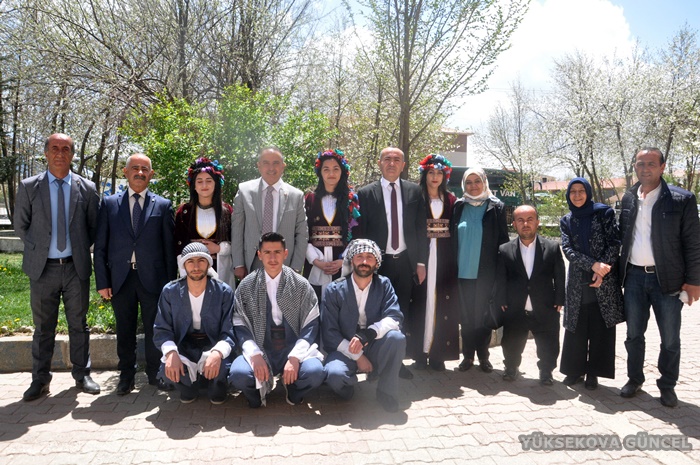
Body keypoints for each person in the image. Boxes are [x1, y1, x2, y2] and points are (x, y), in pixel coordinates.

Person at [14, 133, 101, 401]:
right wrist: (40, 249)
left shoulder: (87, 188)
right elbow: (21, 225)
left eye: (66, 149)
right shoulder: (29, 186)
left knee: (79, 325)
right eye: (54, 148)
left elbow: (93, 227)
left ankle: (82, 375)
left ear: (72, 155)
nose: (60, 153)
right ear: (46, 153)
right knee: (43, 328)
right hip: (43, 269)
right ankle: (40, 380)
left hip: (76, 268)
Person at [618, 147, 700, 407]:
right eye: (640, 163)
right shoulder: (629, 198)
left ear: (662, 167)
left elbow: (693, 243)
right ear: (635, 167)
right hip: (633, 278)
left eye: (651, 164)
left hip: (668, 280)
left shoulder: (681, 199)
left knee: (670, 338)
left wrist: (694, 280)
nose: (645, 168)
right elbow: (622, 237)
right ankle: (634, 379)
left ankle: (667, 385)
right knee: (633, 334)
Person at [93, 153, 177, 395]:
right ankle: (126, 376)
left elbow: (169, 249)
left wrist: (170, 284)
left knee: (155, 328)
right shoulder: (109, 204)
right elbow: (101, 246)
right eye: (135, 168)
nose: (140, 173)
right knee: (125, 329)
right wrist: (102, 281)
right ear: (125, 172)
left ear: (151, 174)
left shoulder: (163, 205)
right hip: (121, 278)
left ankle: (155, 373)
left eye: (144, 169)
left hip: (154, 279)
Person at [229, 232, 324, 407]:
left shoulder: (301, 285)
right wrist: (255, 355)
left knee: (315, 372)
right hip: (261, 346)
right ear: (259, 254)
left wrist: (295, 357)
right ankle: (256, 395)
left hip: (292, 346)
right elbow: (240, 324)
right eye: (267, 252)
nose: (272, 258)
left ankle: (294, 389)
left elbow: (311, 325)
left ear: (285, 253)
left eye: (277, 252)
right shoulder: (247, 285)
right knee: (238, 374)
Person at [357, 146, 428, 380]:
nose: (391, 163)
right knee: (374, 312)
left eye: (397, 159)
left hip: (405, 262)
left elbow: (420, 228)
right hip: (378, 264)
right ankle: (375, 364)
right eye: (387, 159)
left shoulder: (414, 191)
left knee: (401, 312)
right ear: (379, 163)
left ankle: (397, 363)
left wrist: (421, 262)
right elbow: (361, 231)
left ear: (403, 165)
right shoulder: (366, 193)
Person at [322, 239, 406, 412]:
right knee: (335, 375)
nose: (364, 261)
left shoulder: (384, 285)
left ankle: (386, 392)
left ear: (377, 263)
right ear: (352, 260)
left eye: (370, 257)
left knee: (397, 339)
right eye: (359, 257)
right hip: (344, 348)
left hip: (374, 344)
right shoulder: (334, 289)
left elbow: (395, 317)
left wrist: (369, 333)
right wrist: (358, 357)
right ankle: (348, 387)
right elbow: (330, 333)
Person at [559, 178, 624, 390]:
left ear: (588, 192)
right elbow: (567, 249)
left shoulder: (604, 213)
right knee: (576, 326)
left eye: (581, 191)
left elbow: (614, 243)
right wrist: (592, 265)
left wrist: (602, 268)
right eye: (573, 192)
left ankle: (594, 373)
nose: (577, 195)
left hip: (604, 279)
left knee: (599, 327)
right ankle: (574, 370)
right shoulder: (567, 220)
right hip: (578, 280)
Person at [153, 243, 236, 404]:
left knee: (221, 370)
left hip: (213, 343)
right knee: (167, 369)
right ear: (184, 265)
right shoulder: (170, 291)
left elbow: (229, 330)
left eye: (201, 261)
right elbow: (162, 329)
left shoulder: (223, 292)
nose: (196, 267)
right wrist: (171, 353)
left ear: (209, 264)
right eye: (190, 261)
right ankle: (188, 389)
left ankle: (217, 388)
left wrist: (217, 353)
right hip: (184, 345)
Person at [496, 205, 566, 385]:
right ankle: (511, 367)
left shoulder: (552, 247)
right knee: (511, 341)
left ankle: (546, 371)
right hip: (515, 306)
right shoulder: (505, 249)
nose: (525, 224)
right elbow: (501, 277)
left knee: (548, 342)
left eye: (529, 219)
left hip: (545, 305)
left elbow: (559, 275)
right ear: (514, 224)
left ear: (537, 222)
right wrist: (501, 298)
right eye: (520, 220)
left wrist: (560, 298)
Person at [450, 167, 509, 373]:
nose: (473, 186)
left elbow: (503, 242)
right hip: (462, 272)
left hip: (486, 273)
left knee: (483, 317)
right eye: (469, 182)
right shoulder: (458, 207)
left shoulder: (496, 207)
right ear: (463, 185)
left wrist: (501, 274)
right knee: (466, 318)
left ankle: (484, 357)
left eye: (477, 181)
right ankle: (468, 357)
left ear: (484, 182)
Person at [408, 154, 459, 372]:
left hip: (445, 257)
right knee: (421, 303)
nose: (435, 177)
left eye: (439, 173)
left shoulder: (451, 200)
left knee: (442, 303)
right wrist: (417, 260)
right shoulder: (416, 198)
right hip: (423, 256)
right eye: (431, 172)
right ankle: (420, 354)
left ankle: (438, 354)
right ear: (425, 174)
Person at [231, 147, 308, 279]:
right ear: (259, 166)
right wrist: (238, 263)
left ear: (283, 166)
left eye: (276, 163)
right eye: (266, 163)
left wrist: (296, 267)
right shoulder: (244, 191)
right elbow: (237, 229)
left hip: (285, 264)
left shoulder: (296, 196)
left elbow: (302, 234)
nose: (271, 168)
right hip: (252, 262)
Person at [303, 149, 360, 301]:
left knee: (340, 303)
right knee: (314, 303)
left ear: (343, 172)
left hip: (342, 263)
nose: (331, 174)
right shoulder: (309, 199)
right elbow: (302, 233)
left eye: (336, 169)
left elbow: (357, 233)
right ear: (319, 172)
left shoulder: (351, 201)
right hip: (315, 263)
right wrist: (316, 260)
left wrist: (344, 260)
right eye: (326, 169)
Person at [174, 158, 235, 290]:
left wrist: (218, 249)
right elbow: (179, 248)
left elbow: (236, 243)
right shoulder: (184, 212)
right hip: (192, 271)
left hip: (220, 269)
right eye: (199, 181)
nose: (204, 185)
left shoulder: (226, 211)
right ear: (194, 185)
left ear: (216, 183)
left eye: (209, 180)